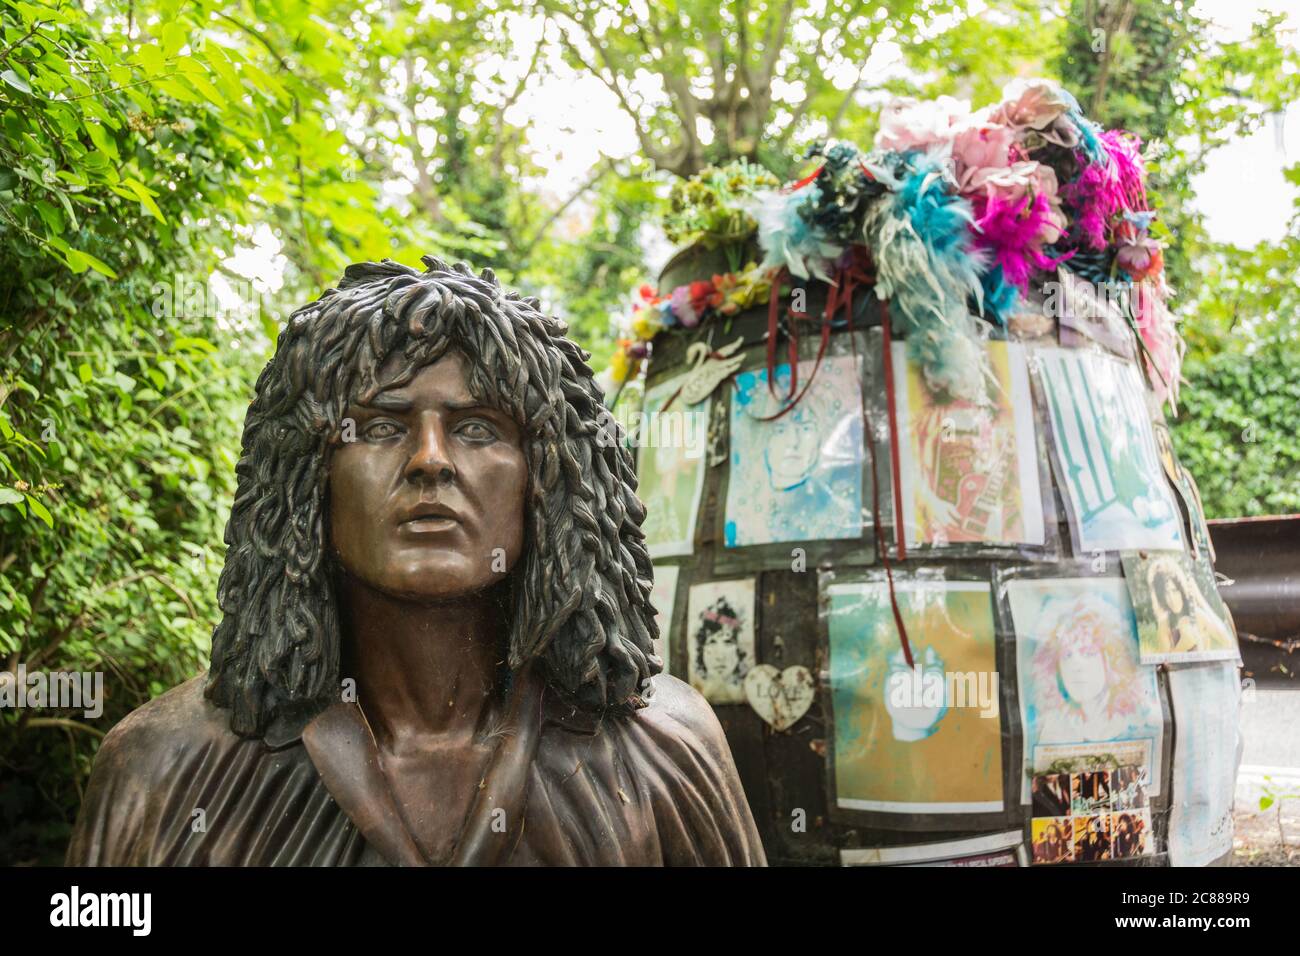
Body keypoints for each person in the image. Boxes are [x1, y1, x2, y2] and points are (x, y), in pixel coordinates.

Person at [66, 257, 766, 867]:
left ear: (549, 477)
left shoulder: (665, 752)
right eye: (378, 427)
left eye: (475, 428)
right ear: (306, 475)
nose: (431, 461)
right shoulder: (163, 768)